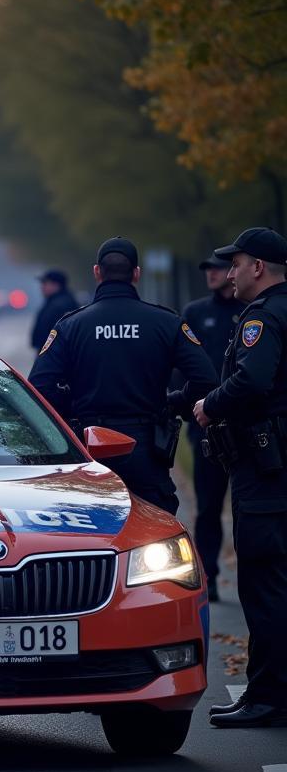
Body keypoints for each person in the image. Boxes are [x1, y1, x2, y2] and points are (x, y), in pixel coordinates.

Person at [28, 236, 216, 514]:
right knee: (155, 534)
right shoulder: (166, 322)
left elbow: (39, 387)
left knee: (93, 534)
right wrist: (172, 402)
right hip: (147, 448)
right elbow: (206, 380)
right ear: (136, 274)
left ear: (97, 272)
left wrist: (74, 406)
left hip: (90, 445)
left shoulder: (71, 325)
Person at [193, 227, 287, 728]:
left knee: (263, 580)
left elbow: (253, 379)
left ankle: (267, 697)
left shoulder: (263, 317)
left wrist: (210, 404)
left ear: (259, 267)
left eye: (237, 262)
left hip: (265, 469)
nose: (228, 271)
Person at [182, 256, 240, 600]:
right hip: (206, 425)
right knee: (208, 507)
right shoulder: (195, 313)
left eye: (217, 268)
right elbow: (181, 368)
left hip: (247, 422)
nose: (212, 274)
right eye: (206, 269)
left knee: (251, 505)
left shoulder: (252, 311)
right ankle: (210, 576)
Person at [31, 269, 78, 351]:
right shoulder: (53, 302)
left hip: (54, 355)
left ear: (56, 285)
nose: (42, 287)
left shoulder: (61, 305)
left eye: (45, 283)